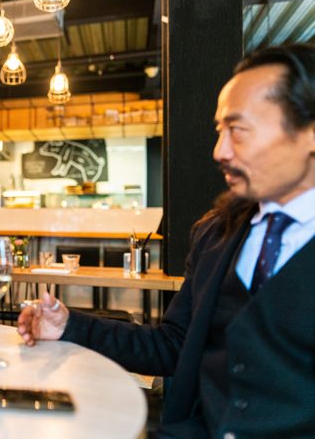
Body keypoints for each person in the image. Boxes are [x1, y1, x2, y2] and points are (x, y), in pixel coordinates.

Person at [17, 44, 315, 438]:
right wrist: (69, 326)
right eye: (219, 131)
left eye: (238, 131)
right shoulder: (214, 234)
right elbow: (173, 345)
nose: (219, 151)